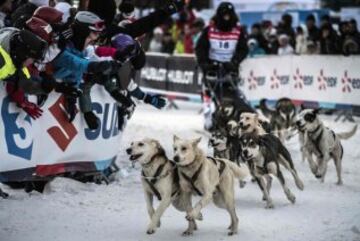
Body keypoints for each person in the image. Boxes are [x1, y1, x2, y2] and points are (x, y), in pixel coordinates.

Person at [195, 1, 252, 130]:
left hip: (230, 68)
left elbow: (243, 49)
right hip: (212, 68)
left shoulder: (238, 31)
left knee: (233, 95)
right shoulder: (209, 30)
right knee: (209, 93)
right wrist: (204, 63)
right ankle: (208, 117)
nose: (227, 17)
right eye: (224, 15)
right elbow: (200, 48)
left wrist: (235, 61)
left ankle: (232, 118)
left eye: (229, 15)